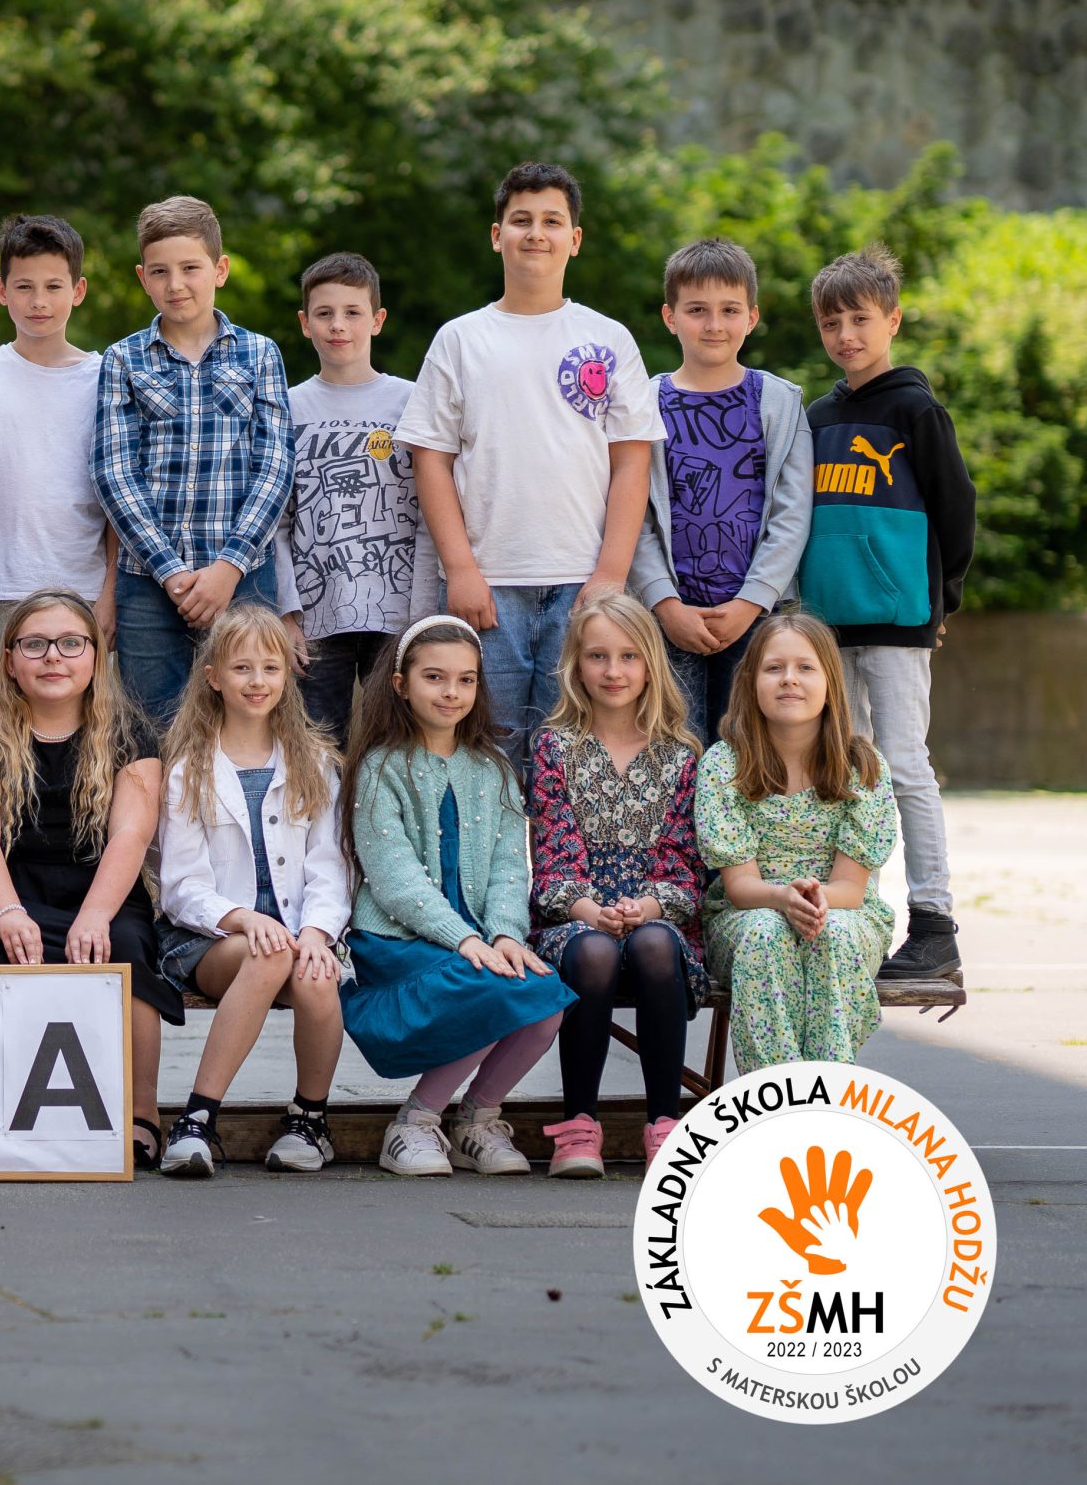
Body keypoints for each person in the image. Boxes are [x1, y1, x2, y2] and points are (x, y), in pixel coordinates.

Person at [397, 163, 664, 771]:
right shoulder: (461, 340)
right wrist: (461, 569)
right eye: (521, 221)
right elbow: (430, 460)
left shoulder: (609, 338)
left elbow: (632, 463)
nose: (536, 233)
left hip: (583, 584)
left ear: (575, 238)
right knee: (482, 752)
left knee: (570, 758)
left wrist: (610, 574)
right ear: (498, 236)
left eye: (552, 221)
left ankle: (558, 847)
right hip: (487, 584)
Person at [0, 588, 179, 1169]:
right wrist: (5, 912)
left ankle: (141, 1114)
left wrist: (96, 915)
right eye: (35, 645)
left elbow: (130, 836)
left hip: (102, 891)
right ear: (9, 662)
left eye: (71, 643)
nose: (53, 656)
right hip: (12, 889)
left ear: (96, 656)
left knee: (126, 951)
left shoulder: (129, 733)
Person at [339, 615, 573, 1178]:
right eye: (435, 678)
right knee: (487, 991)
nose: (451, 692)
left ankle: (477, 1120)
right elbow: (394, 877)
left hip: (479, 939)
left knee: (545, 999)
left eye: (465, 680)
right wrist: (465, 939)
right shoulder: (380, 768)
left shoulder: (493, 770)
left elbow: (509, 868)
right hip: (398, 940)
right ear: (401, 685)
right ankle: (415, 1122)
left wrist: (506, 935)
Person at [797, 243, 975, 985]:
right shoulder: (817, 416)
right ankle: (852, 914)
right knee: (843, 770)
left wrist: (943, 598)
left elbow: (956, 505)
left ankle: (933, 922)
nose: (846, 335)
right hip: (829, 625)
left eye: (860, 319)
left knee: (904, 766)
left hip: (899, 621)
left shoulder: (915, 408)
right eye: (831, 323)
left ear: (892, 320)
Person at [152, 605, 349, 1179]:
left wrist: (317, 934)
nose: (257, 681)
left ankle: (309, 1120)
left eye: (270, 667)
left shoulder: (316, 763)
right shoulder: (187, 769)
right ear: (213, 676)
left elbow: (331, 869)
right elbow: (181, 886)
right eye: (242, 668)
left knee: (316, 975)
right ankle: (196, 1120)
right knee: (269, 954)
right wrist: (241, 918)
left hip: (300, 932)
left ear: (288, 674)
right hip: (212, 940)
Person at [93, 195, 294, 728]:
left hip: (243, 576)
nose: (175, 284)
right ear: (143, 278)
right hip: (148, 580)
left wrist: (228, 566)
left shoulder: (260, 354)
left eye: (190, 268)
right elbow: (114, 472)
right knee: (152, 727)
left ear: (220, 270)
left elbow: (275, 467)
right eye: (160, 272)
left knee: (248, 719)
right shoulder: (123, 359)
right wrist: (170, 572)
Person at [527, 594, 707, 1179]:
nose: (613, 671)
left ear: (651, 664)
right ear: (575, 665)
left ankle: (665, 1124)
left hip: (659, 918)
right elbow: (553, 861)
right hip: (574, 920)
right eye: (598, 656)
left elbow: (685, 868)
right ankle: (579, 1124)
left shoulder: (682, 756)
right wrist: (589, 908)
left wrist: (648, 906)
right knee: (596, 950)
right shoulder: (555, 748)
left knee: (653, 943)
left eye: (629, 656)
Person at [695, 611, 901, 1072]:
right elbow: (740, 888)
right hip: (747, 915)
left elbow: (850, 889)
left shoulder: (862, 766)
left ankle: (829, 1088)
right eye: (774, 668)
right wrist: (782, 898)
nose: (789, 679)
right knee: (766, 934)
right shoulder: (725, 765)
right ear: (750, 681)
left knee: (833, 934)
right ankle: (777, 1093)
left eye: (805, 667)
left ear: (830, 683)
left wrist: (814, 901)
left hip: (844, 912)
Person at [628, 237, 813, 742]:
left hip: (757, 617)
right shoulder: (642, 403)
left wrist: (751, 602)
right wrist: (665, 603)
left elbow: (792, 514)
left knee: (748, 750)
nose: (714, 324)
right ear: (670, 317)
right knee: (675, 750)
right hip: (666, 618)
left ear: (752, 318)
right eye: (697, 310)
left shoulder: (779, 402)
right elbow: (632, 516)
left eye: (729, 310)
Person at [273, 252, 428, 739]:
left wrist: (424, 613)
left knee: (397, 746)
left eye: (352, 312)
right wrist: (286, 612)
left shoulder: (412, 403)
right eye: (324, 313)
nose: (338, 325)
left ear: (377, 320)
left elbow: (431, 514)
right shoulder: (286, 407)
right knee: (319, 747)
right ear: (305, 324)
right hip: (316, 616)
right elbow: (277, 522)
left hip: (398, 611)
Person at [0, 214, 116, 661]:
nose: (39, 301)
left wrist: (111, 592)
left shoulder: (106, 378)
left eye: (53, 286)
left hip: (84, 592)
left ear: (78, 291)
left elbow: (118, 499)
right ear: (2, 290)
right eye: (24, 286)